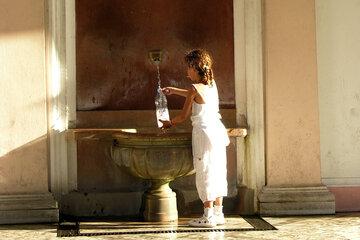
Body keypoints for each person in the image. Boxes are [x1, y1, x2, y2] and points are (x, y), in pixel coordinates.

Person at [160, 49, 230, 227]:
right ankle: (218, 213)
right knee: (218, 170)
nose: (187, 71)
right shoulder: (212, 84)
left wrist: (169, 123)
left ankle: (207, 217)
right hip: (217, 132)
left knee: (204, 170)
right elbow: (196, 94)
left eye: (189, 67)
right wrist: (174, 91)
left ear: (197, 68)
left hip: (203, 134)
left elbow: (183, 116)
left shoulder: (194, 89)